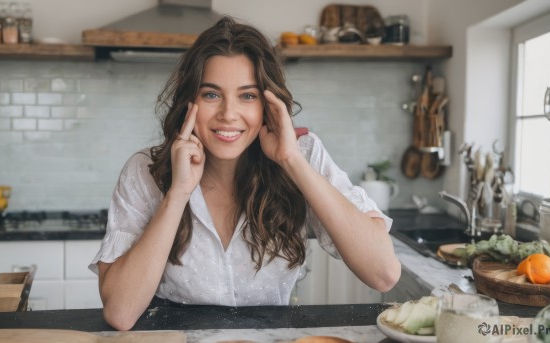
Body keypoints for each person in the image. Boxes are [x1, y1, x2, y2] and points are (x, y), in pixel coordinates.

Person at [89, 16, 401, 331]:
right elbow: (120, 313)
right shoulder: (144, 170)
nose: (228, 114)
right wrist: (178, 193)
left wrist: (291, 160)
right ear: (189, 101)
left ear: (269, 104)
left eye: (247, 96)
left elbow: (383, 273)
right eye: (211, 94)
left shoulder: (301, 154)